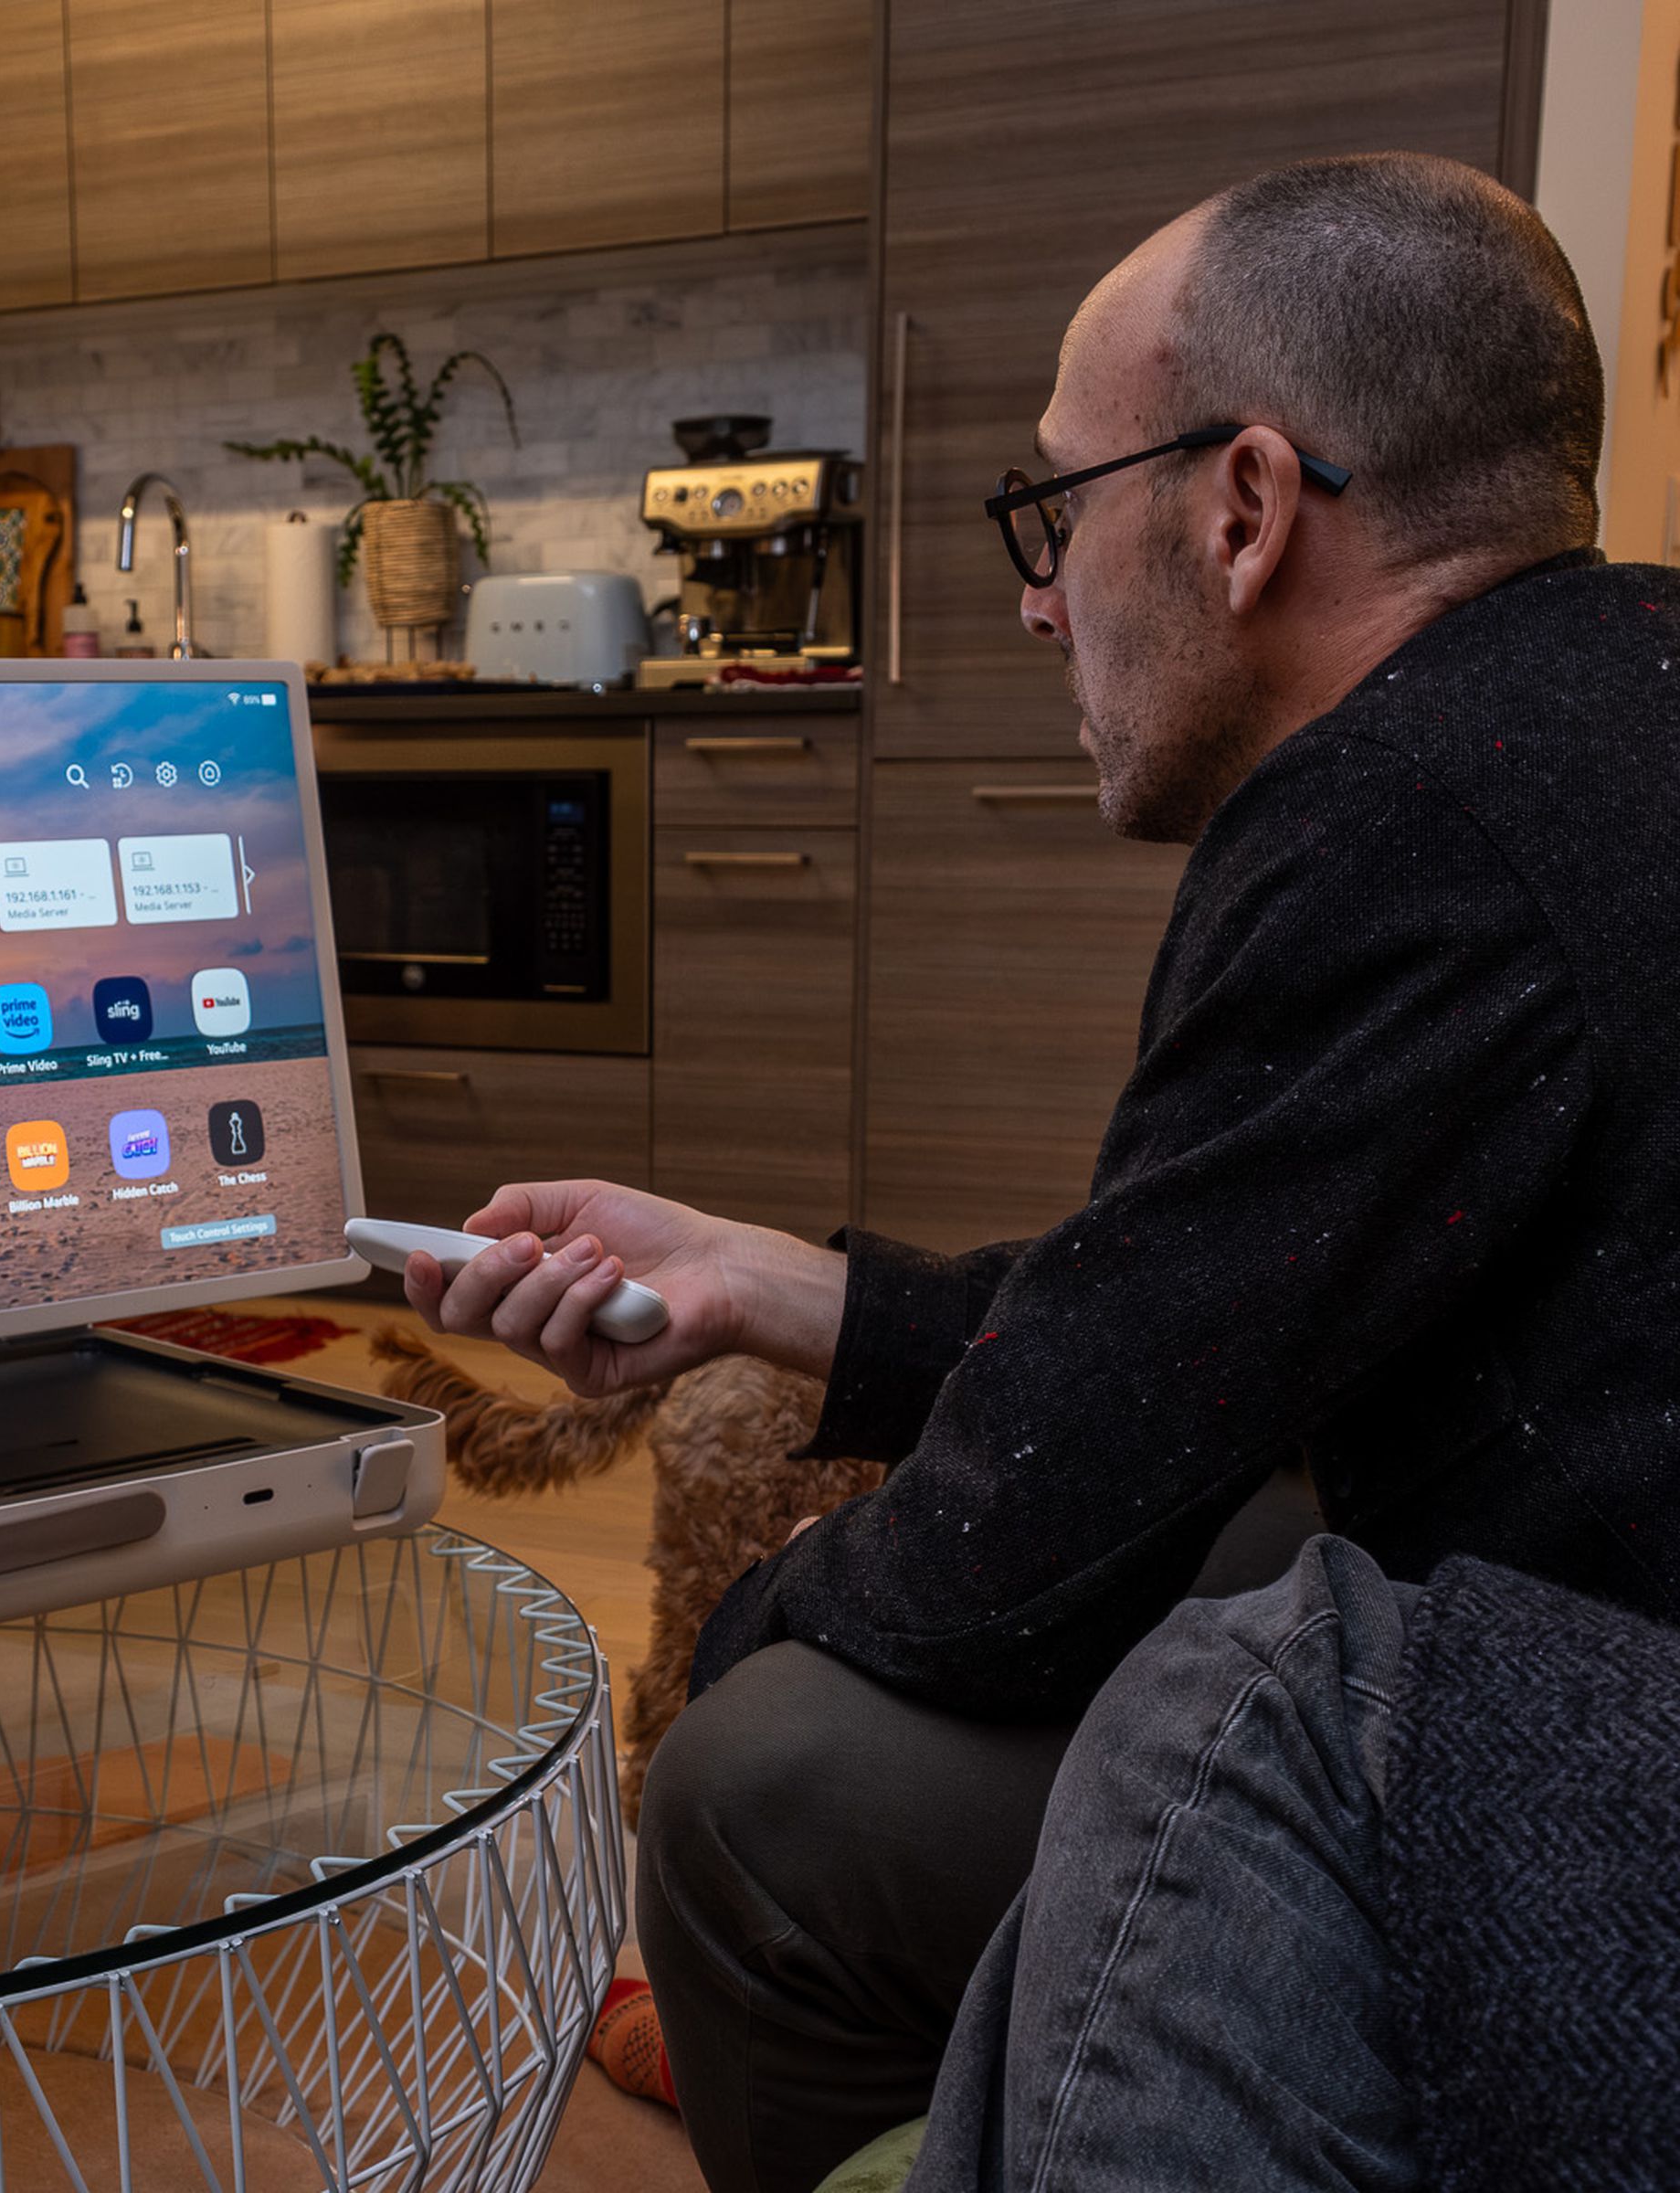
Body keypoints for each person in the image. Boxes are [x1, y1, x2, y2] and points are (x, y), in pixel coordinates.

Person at [407, 151, 1678, 2193]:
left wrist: (740, 1653)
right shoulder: (1608, 702)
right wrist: (778, 1286)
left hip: (1615, 1785)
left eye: (1055, 508)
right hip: (1596, 1625)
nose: (1033, 590)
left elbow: (1003, 1561)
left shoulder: (1405, 814)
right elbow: (1210, 1303)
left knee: (765, 1790)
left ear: (1244, 509)